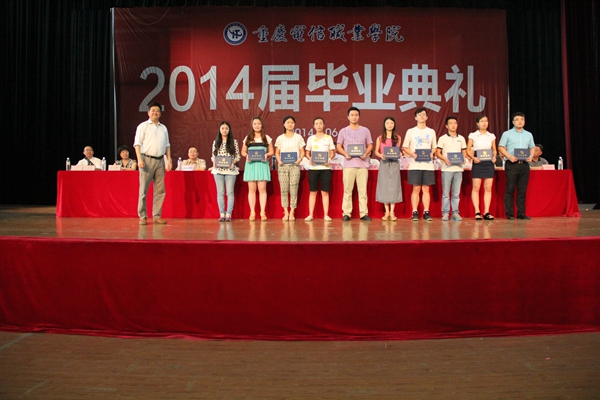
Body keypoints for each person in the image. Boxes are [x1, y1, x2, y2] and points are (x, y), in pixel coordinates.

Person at [134, 102, 172, 225]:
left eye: (157, 111)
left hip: (160, 160)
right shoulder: (143, 126)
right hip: (146, 159)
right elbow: (137, 144)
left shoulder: (163, 128)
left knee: (160, 190)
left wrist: (169, 160)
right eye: (153, 110)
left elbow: (167, 145)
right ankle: (143, 216)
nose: (155, 113)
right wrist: (139, 159)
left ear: (160, 113)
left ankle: (157, 216)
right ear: (148, 112)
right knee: (144, 190)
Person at [336, 106, 373, 221]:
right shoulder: (343, 131)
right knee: (347, 191)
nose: (354, 117)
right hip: (348, 165)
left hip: (362, 165)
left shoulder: (365, 130)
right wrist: (345, 154)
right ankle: (346, 213)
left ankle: (363, 213)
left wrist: (366, 153)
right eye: (352, 115)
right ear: (348, 117)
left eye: (356, 115)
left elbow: (370, 145)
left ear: (359, 116)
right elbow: (338, 146)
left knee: (363, 191)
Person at [498, 112, 535, 220]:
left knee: (522, 190)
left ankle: (521, 213)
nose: (520, 121)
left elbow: (532, 147)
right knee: (510, 189)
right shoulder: (507, 134)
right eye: (517, 119)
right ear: (513, 122)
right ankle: (509, 213)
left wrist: (531, 156)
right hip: (512, 164)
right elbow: (501, 147)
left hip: (524, 165)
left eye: (522, 119)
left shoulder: (528, 134)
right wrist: (509, 156)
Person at [402, 107, 437, 222]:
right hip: (415, 165)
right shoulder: (410, 131)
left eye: (423, 114)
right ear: (415, 117)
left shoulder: (431, 131)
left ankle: (426, 211)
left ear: (427, 117)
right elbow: (405, 147)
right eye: (419, 114)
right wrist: (412, 154)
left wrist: (432, 153)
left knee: (426, 189)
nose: (421, 116)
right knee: (416, 188)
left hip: (428, 165)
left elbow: (434, 147)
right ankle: (414, 211)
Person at [241, 116, 274, 221]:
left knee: (262, 189)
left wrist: (266, 155)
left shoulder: (267, 138)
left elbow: (271, 151)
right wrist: (246, 155)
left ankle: (262, 212)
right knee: (251, 189)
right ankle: (252, 212)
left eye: (259, 123)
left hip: (262, 165)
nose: (257, 126)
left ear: (262, 125)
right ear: (252, 125)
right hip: (251, 165)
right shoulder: (248, 138)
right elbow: (243, 152)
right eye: (255, 124)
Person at [304, 117, 336, 221]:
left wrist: (330, 158)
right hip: (313, 168)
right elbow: (307, 152)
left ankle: (326, 215)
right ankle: (310, 215)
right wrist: (310, 159)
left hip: (325, 168)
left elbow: (332, 152)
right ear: (313, 126)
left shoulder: (328, 138)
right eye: (316, 124)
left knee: (325, 192)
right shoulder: (311, 138)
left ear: (324, 125)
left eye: (320, 123)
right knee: (313, 192)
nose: (319, 125)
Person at [275, 116, 306, 221]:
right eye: (288, 122)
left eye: (292, 122)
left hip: (294, 166)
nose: (290, 124)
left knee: (294, 189)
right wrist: (279, 160)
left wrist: (300, 159)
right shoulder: (280, 138)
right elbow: (277, 152)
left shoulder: (298, 137)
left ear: (294, 124)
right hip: (283, 167)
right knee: (284, 190)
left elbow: (302, 151)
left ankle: (292, 212)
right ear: (284, 124)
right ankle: (286, 212)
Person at [467, 114, 497, 220]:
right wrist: (473, 158)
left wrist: (494, 157)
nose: (484, 123)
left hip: (489, 163)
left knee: (488, 188)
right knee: (476, 187)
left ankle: (486, 212)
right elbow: (468, 149)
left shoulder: (491, 136)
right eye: (482, 121)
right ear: (477, 123)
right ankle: (477, 211)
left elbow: (494, 149)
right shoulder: (473, 135)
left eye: (486, 121)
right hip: (478, 162)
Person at [437, 116, 467, 221]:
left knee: (456, 194)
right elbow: (438, 153)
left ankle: (455, 213)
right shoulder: (442, 138)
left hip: (458, 169)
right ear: (446, 126)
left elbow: (464, 152)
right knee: (446, 193)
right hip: (447, 169)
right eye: (450, 123)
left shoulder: (461, 138)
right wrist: (444, 158)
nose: (453, 125)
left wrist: (463, 158)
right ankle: (445, 213)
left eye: (455, 123)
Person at [374, 116, 403, 221]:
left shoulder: (398, 137)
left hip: (394, 163)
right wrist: (380, 155)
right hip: (384, 163)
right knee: (385, 186)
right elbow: (376, 151)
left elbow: (398, 150)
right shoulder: (380, 138)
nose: (390, 125)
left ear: (394, 125)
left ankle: (392, 212)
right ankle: (386, 212)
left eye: (391, 123)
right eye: (387, 123)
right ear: (384, 125)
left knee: (394, 186)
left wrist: (400, 153)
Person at [211, 121, 241, 222]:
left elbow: (237, 156)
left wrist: (233, 163)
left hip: (230, 170)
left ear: (229, 130)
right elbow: (213, 156)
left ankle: (228, 214)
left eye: (226, 128)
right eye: (222, 128)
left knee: (230, 192)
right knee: (220, 192)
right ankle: (222, 213)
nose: (224, 130)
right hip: (218, 170)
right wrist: (214, 162)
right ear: (219, 130)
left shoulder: (234, 142)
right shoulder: (216, 142)